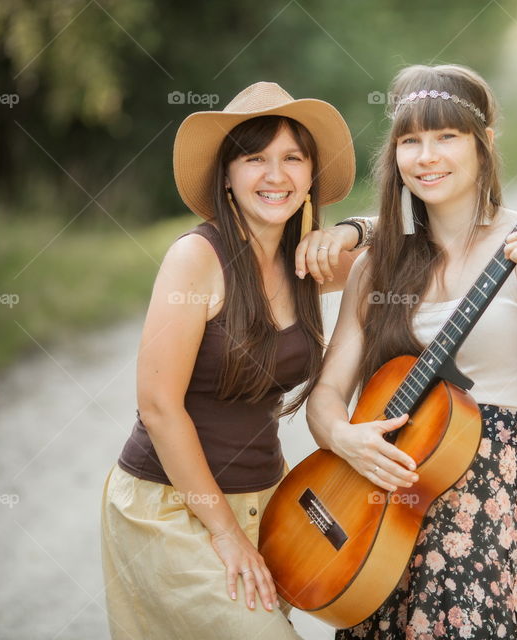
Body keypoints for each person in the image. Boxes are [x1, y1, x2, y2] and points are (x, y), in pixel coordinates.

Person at [306, 64, 517, 639]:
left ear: (483, 144)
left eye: (446, 137)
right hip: (377, 516)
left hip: (484, 513)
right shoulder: (377, 264)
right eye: (410, 141)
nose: (426, 156)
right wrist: (343, 437)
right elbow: (328, 394)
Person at [99, 81, 366, 639]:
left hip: (267, 501)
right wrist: (223, 532)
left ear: (311, 175)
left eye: (293, 158)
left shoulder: (308, 263)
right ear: (226, 174)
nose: (276, 175)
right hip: (174, 507)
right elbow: (157, 405)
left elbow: (411, 247)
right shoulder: (196, 258)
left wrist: (353, 228)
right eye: (255, 158)